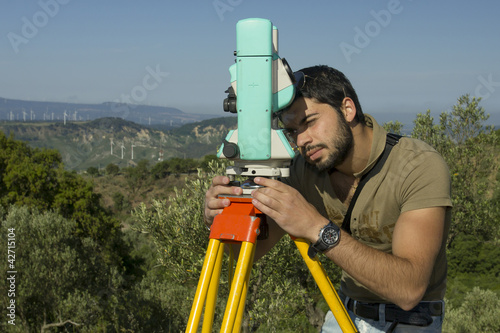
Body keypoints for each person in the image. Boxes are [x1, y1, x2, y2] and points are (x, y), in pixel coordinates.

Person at [204, 65, 452, 332]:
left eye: (310, 122)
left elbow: (408, 290)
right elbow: (247, 255)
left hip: (411, 320)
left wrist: (316, 228)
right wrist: (221, 220)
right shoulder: (302, 170)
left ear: (348, 109)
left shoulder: (417, 166)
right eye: (292, 131)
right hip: (343, 311)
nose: (302, 140)